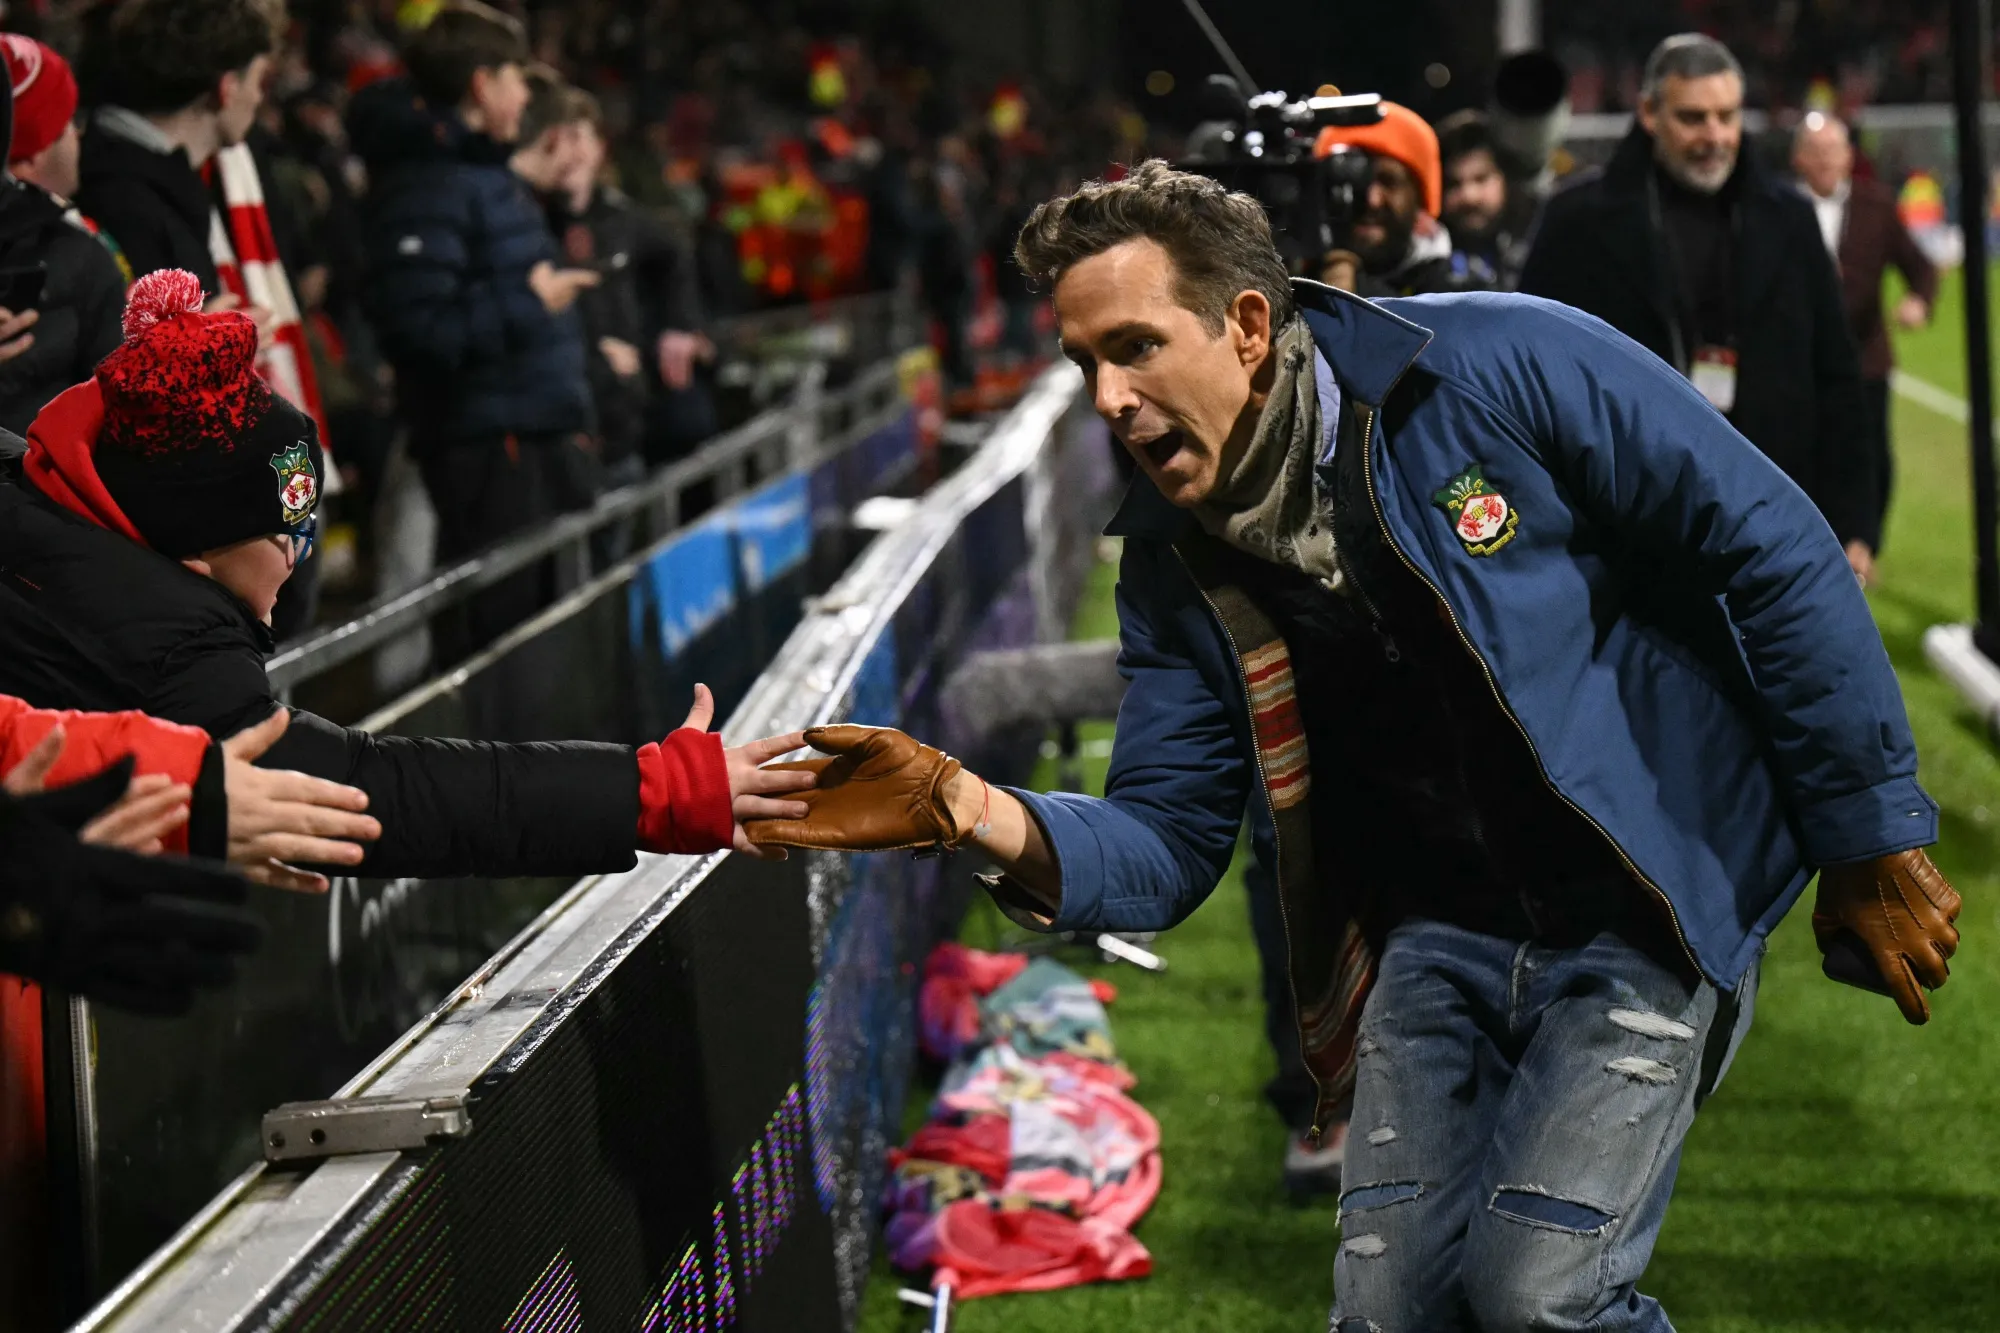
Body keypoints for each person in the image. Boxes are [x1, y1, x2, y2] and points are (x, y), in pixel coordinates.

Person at [742, 161, 1960, 1328]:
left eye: (1133, 347)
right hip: (1432, 933)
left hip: (1641, 898)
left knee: (1536, 1295)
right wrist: (968, 807)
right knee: (1386, 1313)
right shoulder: (1171, 566)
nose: (1105, 397)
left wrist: (1864, 832)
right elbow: (1166, 838)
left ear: (1246, 327)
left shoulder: (1498, 362)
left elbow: (1769, 545)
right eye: (1083, 363)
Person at [0, 269, 811, 885]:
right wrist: (650, 791)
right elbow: (375, 792)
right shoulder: (164, 646)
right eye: (285, 535)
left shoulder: (46, 494)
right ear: (194, 550)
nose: (301, 557)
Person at [1519, 35, 1874, 575]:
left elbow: (1837, 374)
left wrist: (1852, 520)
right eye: (1693, 118)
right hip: (1626, 532)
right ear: (1649, 113)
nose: (1715, 136)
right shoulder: (1576, 223)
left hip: (1774, 518)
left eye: (1726, 116)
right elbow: (1532, 380)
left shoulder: (1789, 218)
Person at [349, 1, 600, 656]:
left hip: (531, 438)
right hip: (492, 451)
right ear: (482, 85)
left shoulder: (479, 175)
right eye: (516, 77)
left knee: (554, 644)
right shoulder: (427, 185)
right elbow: (418, 329)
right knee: (508, 650)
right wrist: (528, 301)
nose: (526, 95)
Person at [1793, 111, 1938, 580]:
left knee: (1872, 455)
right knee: (1805, 453)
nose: (1825, 160)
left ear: (1849, 156)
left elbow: (1921, 266)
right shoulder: (1778, 208)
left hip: (1865, 360)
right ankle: (1813, 546)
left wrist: (1919, 300)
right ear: (1798, 159)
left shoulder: (1876, 205)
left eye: (1833, 150)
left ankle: (1862, 547)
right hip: (1800, 362)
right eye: (1816, 151)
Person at [0, 35, 127, 435]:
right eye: (67, 122)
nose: (79, 134)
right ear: (29, 156)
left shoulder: (79, 242)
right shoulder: (80, 258)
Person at [1311, 101, 1489, 298]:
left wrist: (1355, 294)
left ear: (1420, 198)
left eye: (1389, 182)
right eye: (1357, 182)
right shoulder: (1299, 266)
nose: (1372, 200)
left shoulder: (1460, 290)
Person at [1435, 109, 1531, 290]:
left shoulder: (1537, 244)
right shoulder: (1425, 266)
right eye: (1453, 184)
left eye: (1481, 179)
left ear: (1506, 178)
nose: (1469, 197)